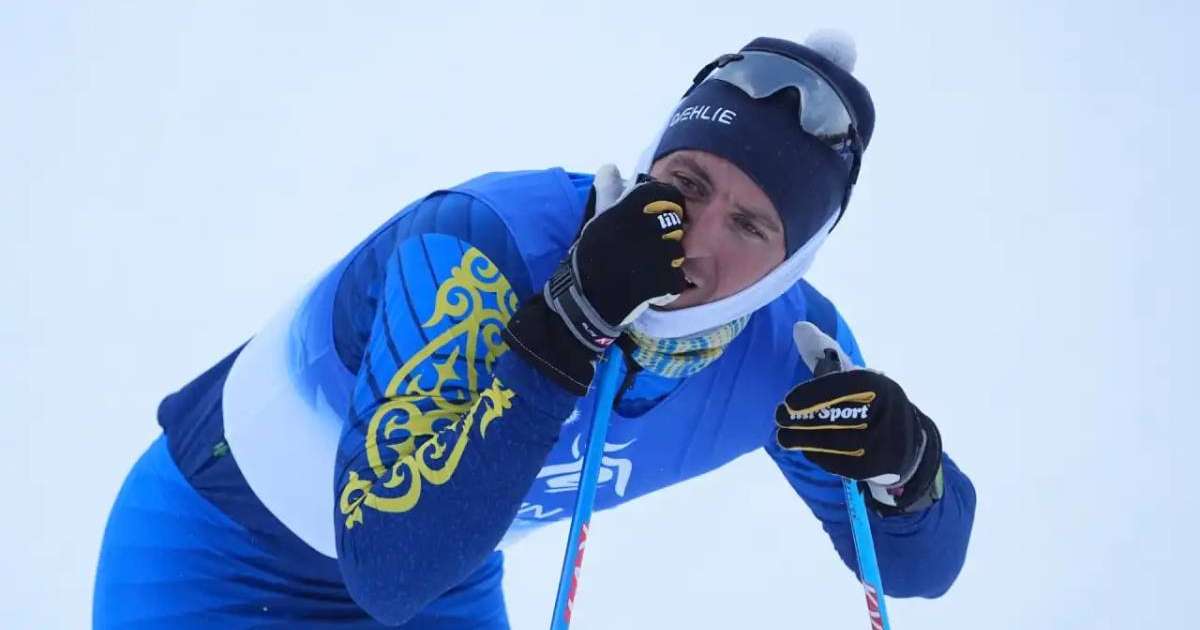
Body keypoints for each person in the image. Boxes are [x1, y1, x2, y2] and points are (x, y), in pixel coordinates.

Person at [93, 32, 976, 628]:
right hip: (216, 549)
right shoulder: (484, 244)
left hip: (446, 572)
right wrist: (569, 321)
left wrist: (912, 471)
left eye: (750, 227)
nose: (697, 240)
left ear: (793, 265)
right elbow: (386, 562)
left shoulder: (790, 352)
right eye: (687, 183)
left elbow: (914, 572)